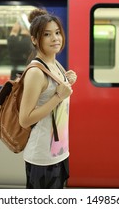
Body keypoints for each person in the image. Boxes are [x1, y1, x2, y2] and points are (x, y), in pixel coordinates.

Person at [19, 14, 77, 189]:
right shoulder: (36, 72)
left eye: (57, 32)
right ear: (35, 40)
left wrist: (67, 80)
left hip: (59, 152)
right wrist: (58, 96)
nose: (55, 38)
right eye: (47, 34)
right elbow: (25, 119)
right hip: (42, 157)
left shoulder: (56, 65)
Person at [7, 8, 48, 80]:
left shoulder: (13, 41)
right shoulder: (41, 46)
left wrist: (20, 23)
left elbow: (14, 31)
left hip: (16, 80)